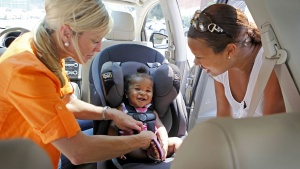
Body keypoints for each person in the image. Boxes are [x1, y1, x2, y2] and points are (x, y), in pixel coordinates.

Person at [0, 0, 157, 169]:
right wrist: (142, 139)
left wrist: (111, 114)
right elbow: (78, 151)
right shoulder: (28, 72)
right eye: (95, 40)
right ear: (66, 33)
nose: (98, 49)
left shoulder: (44, 47)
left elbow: (67, 102)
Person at [187, 4, 285, 118]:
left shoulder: (269, 66)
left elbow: (274, 130)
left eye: (199, 57)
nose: (196, 63)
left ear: (230, 50)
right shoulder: (221, 70)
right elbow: (224, 119)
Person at [108, 67, 182, 163]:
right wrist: (116, 147)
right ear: (126, 93)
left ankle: (185, 161)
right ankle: (153, 155)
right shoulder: (122, 109)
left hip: (155, 144)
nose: (143, 93)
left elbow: (160, 127)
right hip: (131, 145)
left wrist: (164, 143)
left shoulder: (152, 111)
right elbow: (112, 127)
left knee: (177, 141)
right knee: (131, 148)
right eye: (137, 89)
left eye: (148, 91)